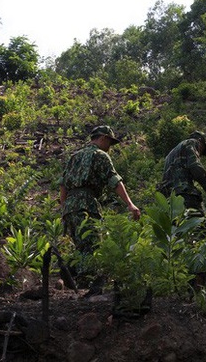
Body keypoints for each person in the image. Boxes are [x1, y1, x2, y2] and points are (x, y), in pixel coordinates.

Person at [60, 125, 140, 293]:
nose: (109, 148)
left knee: (81, 246)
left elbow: (63, 185)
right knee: (92, 245)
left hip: (70, 206)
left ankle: (71, 277)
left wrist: (64, 209)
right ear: (103, 138)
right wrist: (130, 204)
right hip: (86, 204)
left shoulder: (74, 156)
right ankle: (85, 287)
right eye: (109, 143)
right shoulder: (100, 155)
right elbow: (114, 181)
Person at [158, 131, 206, 215]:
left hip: (169, 197)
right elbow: (194, 166)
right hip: (184, 193)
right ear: (200, 140)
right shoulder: (191, 142)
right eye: (202, 149)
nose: (200, 154)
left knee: (178, 226)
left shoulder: (170, 154)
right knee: (199, 225)